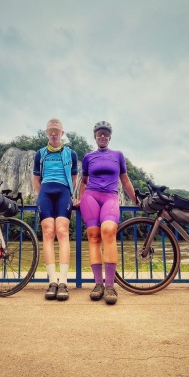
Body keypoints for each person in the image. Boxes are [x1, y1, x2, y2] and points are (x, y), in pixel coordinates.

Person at [77, 121, 137, 305]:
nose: (102, 137)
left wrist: (136, 199)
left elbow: (125, 180)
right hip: (90, 198)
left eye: (105, 134)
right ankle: (98, 285)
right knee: (94, 236)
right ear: (95, 137)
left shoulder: (118, 155)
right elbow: (84, 181)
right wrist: (79, 199)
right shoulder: (88, 157)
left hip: (110, 197)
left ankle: (110, 286)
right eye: (99, 134)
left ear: (110, 136)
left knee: (109, 232)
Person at [32, 118, 78, 301]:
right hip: (46, 192)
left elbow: (74, 176)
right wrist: (40, 193)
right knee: (48, 232)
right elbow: (35, 178)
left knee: (62, 231)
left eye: (56, 130)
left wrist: (71, 193)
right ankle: (52, 281)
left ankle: (63, 282)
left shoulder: (70, 154)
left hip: (63, 192)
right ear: (46, 133)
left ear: (62, 133)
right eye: (50, 130)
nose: (53, 133)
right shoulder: (40, 154)